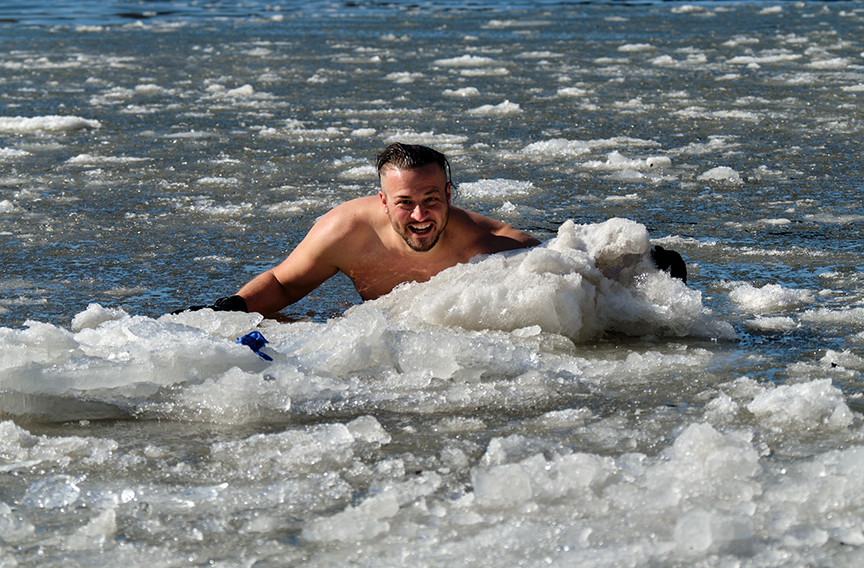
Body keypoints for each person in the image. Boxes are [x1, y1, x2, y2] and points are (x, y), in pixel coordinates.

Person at [180, 143, 541, 316]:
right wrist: (228, 311)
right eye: (404, 202)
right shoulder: (346, 232)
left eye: (431, 199)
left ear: (449, 194)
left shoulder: (491, 251)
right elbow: (284, 283)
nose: (419, 215)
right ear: (383, 202)